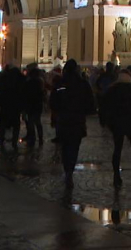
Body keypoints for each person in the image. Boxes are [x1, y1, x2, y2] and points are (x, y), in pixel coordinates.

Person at [100, 70, 131, 187]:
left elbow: (104, 106)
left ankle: (116, 175)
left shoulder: (112, 90)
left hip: (117, 124)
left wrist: (104, 121)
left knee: (117, 149)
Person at [50, 59, 95, 187]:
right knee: (74, 146)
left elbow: (53, 101)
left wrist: (56, 112)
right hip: (77, 119)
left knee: (64, 146)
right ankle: (70, 169)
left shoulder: (60, 83)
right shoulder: (82, 84)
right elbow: (90, 101)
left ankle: (67, 169)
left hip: (63, 119)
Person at [22, 63, 46, 144]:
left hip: (31, 104)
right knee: (37, 122)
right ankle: (39, 137)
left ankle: (32, 137)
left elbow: (26, 94)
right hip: (37, 104)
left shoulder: (30, 82)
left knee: (31, 122)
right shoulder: (40, 81)